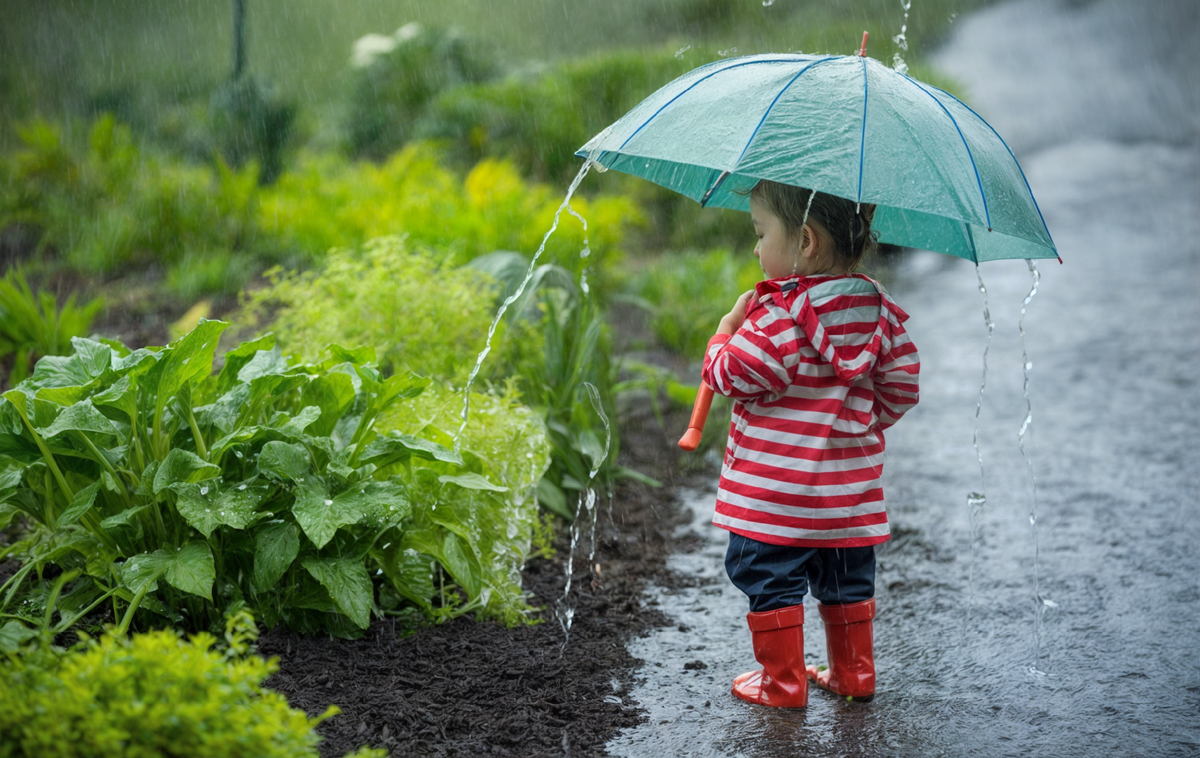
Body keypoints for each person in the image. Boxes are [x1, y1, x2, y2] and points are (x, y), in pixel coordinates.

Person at [701, 180, 920, 708]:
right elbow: (902, 388)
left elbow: (728, 374)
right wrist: (858, 430)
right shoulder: (881, 314)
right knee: (847, 582)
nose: (755, 249)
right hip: (848, 502)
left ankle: (783, 684)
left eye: (760, 233)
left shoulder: (778, 319)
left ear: (805, 241)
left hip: (774, 503)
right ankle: (854, 675)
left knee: (769, 580)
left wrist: (727, 329)